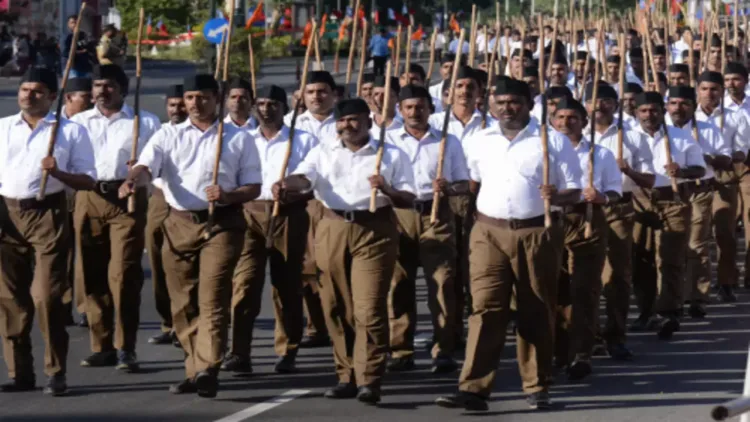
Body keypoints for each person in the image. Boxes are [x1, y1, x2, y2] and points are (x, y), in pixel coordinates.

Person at [435, 78, 582, 411]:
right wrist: (447, 188)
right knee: (485, 308)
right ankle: (474, 387)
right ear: (490, 105)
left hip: (537, 232)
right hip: (487, 231)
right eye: (500, 102)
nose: (506, 108)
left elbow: (575, 190)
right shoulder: (480, 140)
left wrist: (557, 196)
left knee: (535, 308)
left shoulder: (552, 141)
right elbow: (470, 183)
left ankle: (536, 384)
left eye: (514, 102)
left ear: (529, 104)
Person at [119, 74, 262, 398]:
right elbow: (145, 166)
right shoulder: (167, 135)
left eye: (203, 97)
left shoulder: (238, 138)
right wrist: (132, 179)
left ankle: (209, 366)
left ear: (217, 99)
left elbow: (253, 187)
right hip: (178, 223)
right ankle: (194, 368)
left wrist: (227, 195)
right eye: (190, 98)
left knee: (212, 297)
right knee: (182, 303)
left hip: (221, 224)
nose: (195, 104)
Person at [273, 98, 416, 404]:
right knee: (336, 305)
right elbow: (305, 177)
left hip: (374, 229)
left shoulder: (389, 153)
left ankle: (370, 378)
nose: (347, 126)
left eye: (353, 120)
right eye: (342, 121)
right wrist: (287, 183)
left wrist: (388, 188)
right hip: (332, 226)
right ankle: (346, 374)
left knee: (368, 308)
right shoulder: (323, 150)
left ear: (368, 120)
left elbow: (407, 198)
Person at [0, 67, 97, 395]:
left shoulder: (69, 132)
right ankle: (20, 373)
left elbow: (88, 180)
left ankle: (55, 371)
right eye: (25, 89)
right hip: (7, 215)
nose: (29, 95)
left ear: (53, 97)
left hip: (48, 214)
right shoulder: (3, 128)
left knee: (46, 297)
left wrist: (59, 171)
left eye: (37, 91)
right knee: (10, 300)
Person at [71, 64, 161, 372]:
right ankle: (102, 345)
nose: (101, 91)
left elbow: (155, 163)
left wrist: (138, 173)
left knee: (123, 275)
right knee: (92, 275)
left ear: (122, 89)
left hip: (128, 200)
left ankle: (126, 347)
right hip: (89, 197)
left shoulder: (143, 122)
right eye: (97, 86)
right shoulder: (78, 122)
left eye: (108, 86)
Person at [222, 85, 317, 375]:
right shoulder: (241, 139)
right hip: (249, 214)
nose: (266, 109)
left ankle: (287, 350)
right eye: (261, 103)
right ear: (253, 106)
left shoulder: (302, 139)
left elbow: (313, 180)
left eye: (273, 103)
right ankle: (239, 352)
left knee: (286, 285)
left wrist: (293, 190)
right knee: (244, 284)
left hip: (288, 214)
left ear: (284, 107)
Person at [385, 85, 467, 374]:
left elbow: (464, 183)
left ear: (430, 110)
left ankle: (443, 348)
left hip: (437, 216)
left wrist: (449, 187)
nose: (414, 112)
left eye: (420, 107)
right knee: (399, 284)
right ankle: (400, 349)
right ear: (400, 110)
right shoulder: (388, 141)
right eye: (408, 107)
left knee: (442, 283)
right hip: (399, 215)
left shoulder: (448, 141)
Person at [552, 93, 621, 381]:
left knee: (586, 288)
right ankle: (559, 349)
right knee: (556, 289)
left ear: (583, 122)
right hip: (552, 221)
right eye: (561, 118)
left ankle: (582, 353)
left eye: (573, 118)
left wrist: (602, 197)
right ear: (552, 122)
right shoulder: (545, 152)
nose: (566, 122)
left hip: (588, 221)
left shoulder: (599, 154)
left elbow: (617, 191)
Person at [630, 91, 706, 339]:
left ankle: (669, 311)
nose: (649, 115)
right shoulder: (627, 139)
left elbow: (700, 169)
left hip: (672, 199)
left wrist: (681, 170)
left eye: (653, 110)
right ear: (636, 113)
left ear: (662, 111)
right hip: (639, 201)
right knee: (642, 259)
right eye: (644, 111)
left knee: (670, 258)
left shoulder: (680, 137)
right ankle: (646, 311)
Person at [588, 83, 655, 360]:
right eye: (595, 101)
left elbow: (650, 178)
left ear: (615, 106)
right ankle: (587, 337)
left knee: (616, 274)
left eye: (606, 101)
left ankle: (615, 335)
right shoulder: (571, 138)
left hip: (618, 208)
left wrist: (628, 171)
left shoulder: (631, 137)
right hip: (582, 211)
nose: (600, 106)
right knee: (585, 276)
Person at [147, 84, 187, 346]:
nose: (177, 109)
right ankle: (168, 321)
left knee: (184, 266)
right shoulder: (159, 132)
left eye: (181, 104)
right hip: (161, 198)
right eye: (172, 105)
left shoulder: (210, 133)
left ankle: (186, 322)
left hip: (189, 203)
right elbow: (147, 162)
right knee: (158, 260)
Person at [59, 76, 93, 328]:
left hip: (83, 194)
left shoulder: (90, 123)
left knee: (84, 251)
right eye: (86, 97)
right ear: (69, 98)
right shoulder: (53, 125)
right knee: (59, 254)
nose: (92, 101)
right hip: (55, 197)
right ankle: (60, 305)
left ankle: (84, 306)